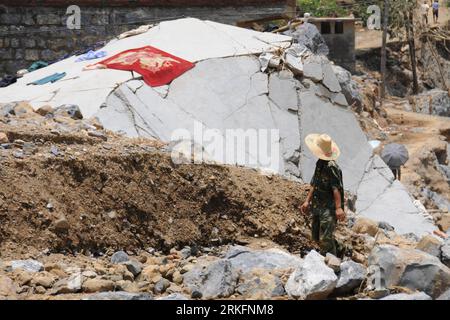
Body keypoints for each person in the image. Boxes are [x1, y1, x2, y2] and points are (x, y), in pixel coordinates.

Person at [300, 134, 346, 257]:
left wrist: (338, 208)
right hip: (317, 205)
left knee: (325, 238)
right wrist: (307, 201)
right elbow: (314, 183)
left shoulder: (332, 167)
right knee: (315, 235)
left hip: (329, 208)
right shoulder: (320, 163)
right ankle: (341, 248)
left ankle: (332, 262)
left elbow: (336, 189)